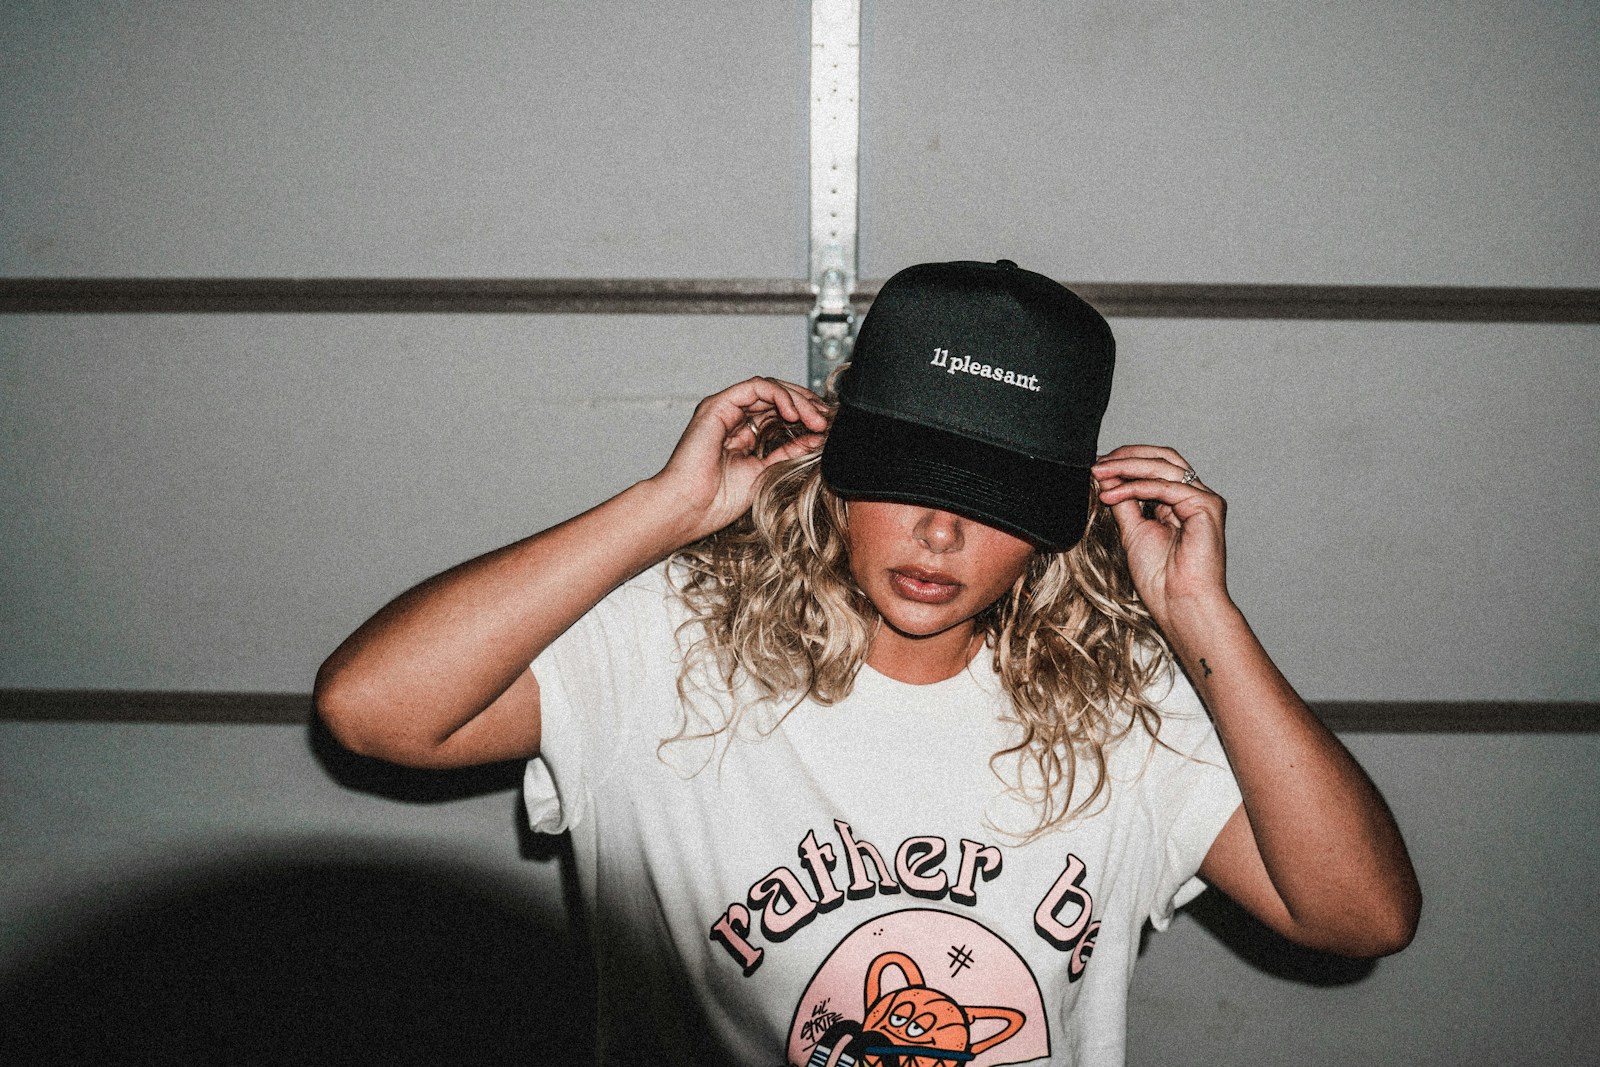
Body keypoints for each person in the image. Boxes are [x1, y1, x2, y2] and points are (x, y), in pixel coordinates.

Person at [315, 260, 1420, 1066]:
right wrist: (668, 508)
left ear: (1061, 516)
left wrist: (1198, 615)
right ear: (834, 463)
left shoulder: (1117, 703)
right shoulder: (671, 649)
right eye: (908, 477)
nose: (940, 533)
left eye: (991, 497)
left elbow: (1361, 916)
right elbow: (372, 711)